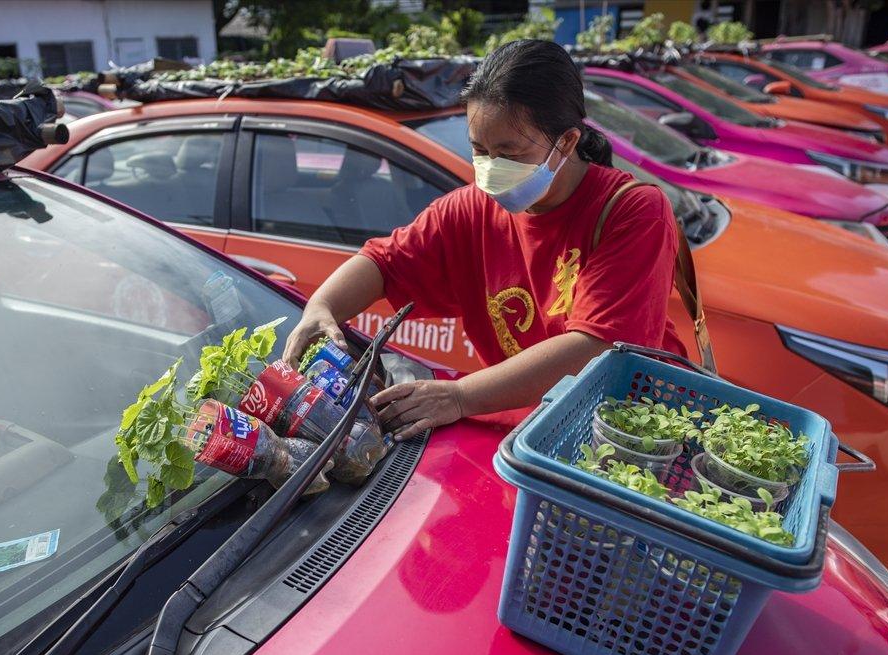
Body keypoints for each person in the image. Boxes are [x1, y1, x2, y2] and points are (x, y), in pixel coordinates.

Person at [281, 39, 687, 441]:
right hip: (536, 433)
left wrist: (459, 396)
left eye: (509, 153)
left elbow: (595, 348)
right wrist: (322, 307)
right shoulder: (470, 210)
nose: (492, 169)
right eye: (480, 150)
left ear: (566, 142)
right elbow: (383, 263)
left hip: (628, 437)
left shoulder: (632, 211)